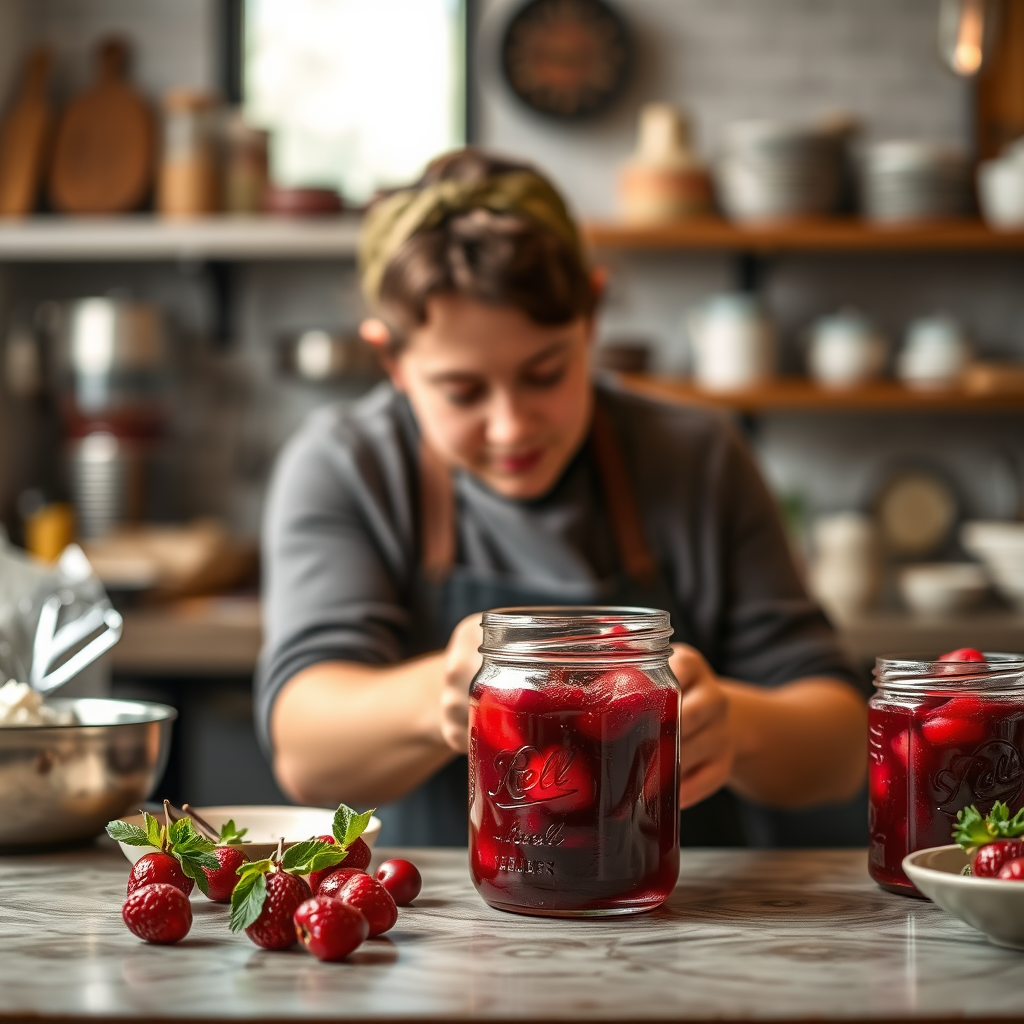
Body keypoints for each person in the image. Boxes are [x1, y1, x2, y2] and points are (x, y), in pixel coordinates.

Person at [255, 149, 866, 847]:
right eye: (462, 392)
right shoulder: (346, 465)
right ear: (391, 359)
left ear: (593, 314)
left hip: (680, 921)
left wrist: (734, 721)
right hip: (440, 932)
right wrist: (440, 699)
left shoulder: (698, 458)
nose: (511, 424)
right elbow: (305, 748)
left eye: (546, 373)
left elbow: (842, 746)